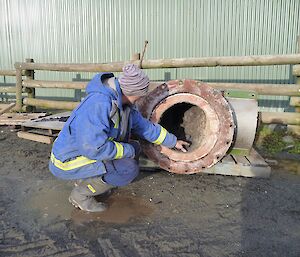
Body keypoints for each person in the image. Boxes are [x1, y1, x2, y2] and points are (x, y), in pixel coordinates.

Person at [49, 64, 189, 212]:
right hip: (69, 160)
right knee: (128, 169)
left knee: (134, 149)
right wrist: (126, 150)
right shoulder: (99, 104)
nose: (142, 97)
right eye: (141, 94)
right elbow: (93, 148)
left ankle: (94, 181)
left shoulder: (124, 103)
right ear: (131, 91)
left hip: (87, 151)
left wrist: (173, 141)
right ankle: (81, 195)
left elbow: (144, 127)